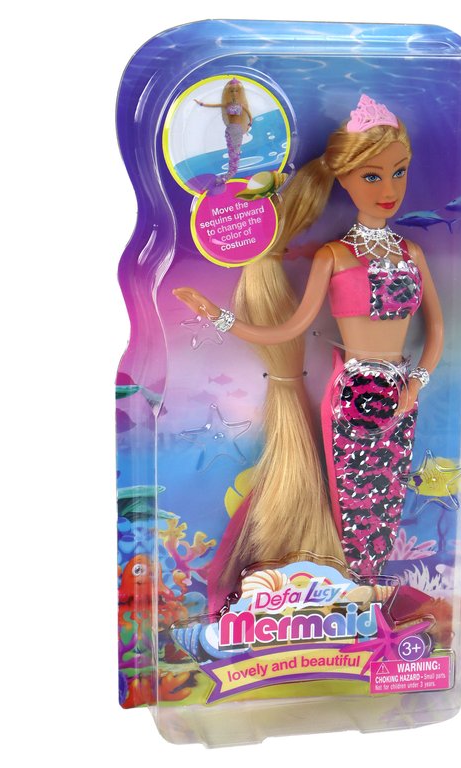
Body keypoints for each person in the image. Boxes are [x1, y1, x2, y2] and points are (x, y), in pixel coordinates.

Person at [174, 95, 444, 610]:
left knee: (388, 499)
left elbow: (437, 332)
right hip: (353, 398)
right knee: (352, 500)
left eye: (400, 172)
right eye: (371, 176)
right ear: (342, 178)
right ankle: (346, 591)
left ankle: (371, 596)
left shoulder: (412, 254)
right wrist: (220, 317)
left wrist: (417, 382)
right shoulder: (335, 256)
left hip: (400, 397)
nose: (389, 190)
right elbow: (291, 327)